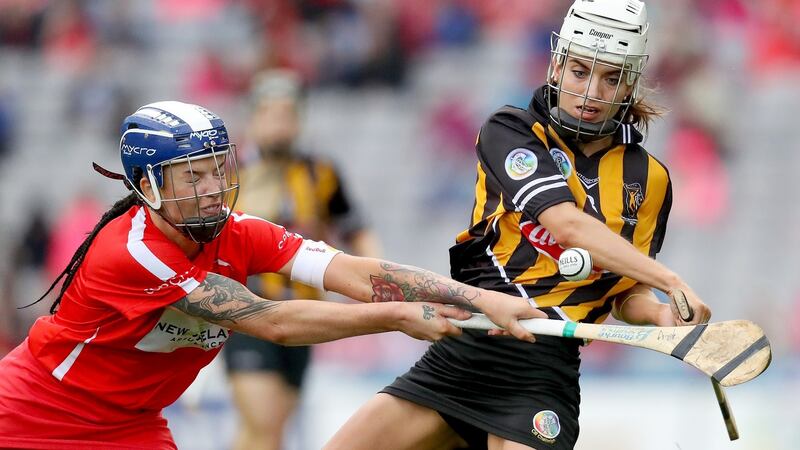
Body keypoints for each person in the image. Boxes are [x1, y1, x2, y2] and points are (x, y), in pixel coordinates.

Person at [0, 100, 545, 449]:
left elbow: (352, 271)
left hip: (131, 425)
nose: (212, 187)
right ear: (147, 184)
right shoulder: (132, 252)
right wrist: (400, 317)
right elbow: (271, 320)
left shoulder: (238, 231)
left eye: (217, 170)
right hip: (33, 410)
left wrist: (476, 297)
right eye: (192, 177)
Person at [326, 1, 712, 449]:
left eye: (611, 77)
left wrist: (665, 315)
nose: (591, 92)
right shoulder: (511, 129)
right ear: (557, 63)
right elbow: (565, 223)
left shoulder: (651, 179)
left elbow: (625, 290)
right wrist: (671, 280)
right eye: (580, 71)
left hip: (542, 373)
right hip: (466, 348)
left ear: (631, 82)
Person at [224, 69, 381, 450]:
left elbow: (354, 226)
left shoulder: (320, 171)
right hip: (249, 310)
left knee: (270, 429)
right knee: (264, 421)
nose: (281, 123)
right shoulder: (229, 172)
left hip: (305, 314)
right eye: (272, 113)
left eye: (289, 114)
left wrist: (377, 277)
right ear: (253, 116)